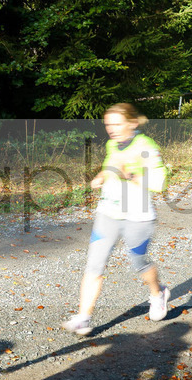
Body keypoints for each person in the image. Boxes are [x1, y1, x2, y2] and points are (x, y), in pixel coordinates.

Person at [63, 103, 170, 336]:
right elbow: (111, 166)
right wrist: (101, 176)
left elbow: (160, 182)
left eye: (116, 124)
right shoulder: (113, 144)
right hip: (108, 213)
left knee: (139, 262)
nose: (111, 129)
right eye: (107, 125)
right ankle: (83, 318)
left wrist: (129, 174)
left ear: (132, 123)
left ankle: (157, 293)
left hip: (138, 217)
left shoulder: (146, 146)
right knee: (94, 264)